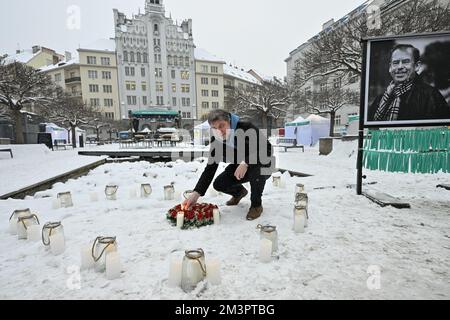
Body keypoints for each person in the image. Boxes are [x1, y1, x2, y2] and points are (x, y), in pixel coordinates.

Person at [182, 110, 275, 221]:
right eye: (215, 128)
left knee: (255, 169)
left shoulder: (246, 128)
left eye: (222, 126)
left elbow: (268, 149)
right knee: (219, 183)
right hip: (241, 167)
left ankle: (256, 205)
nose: (219, 131)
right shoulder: (216, 140)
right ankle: (239, 193)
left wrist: (246, 163)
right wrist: (196, 193)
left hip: (263, 165)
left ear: (229, 121)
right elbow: (210, 168)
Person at [368, 44, 450, 121]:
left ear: (417, 66)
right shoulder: (380, 99)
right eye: (395, 63)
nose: (400, 67)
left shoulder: (431, 96)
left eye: (405, 61)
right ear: (390, 67)